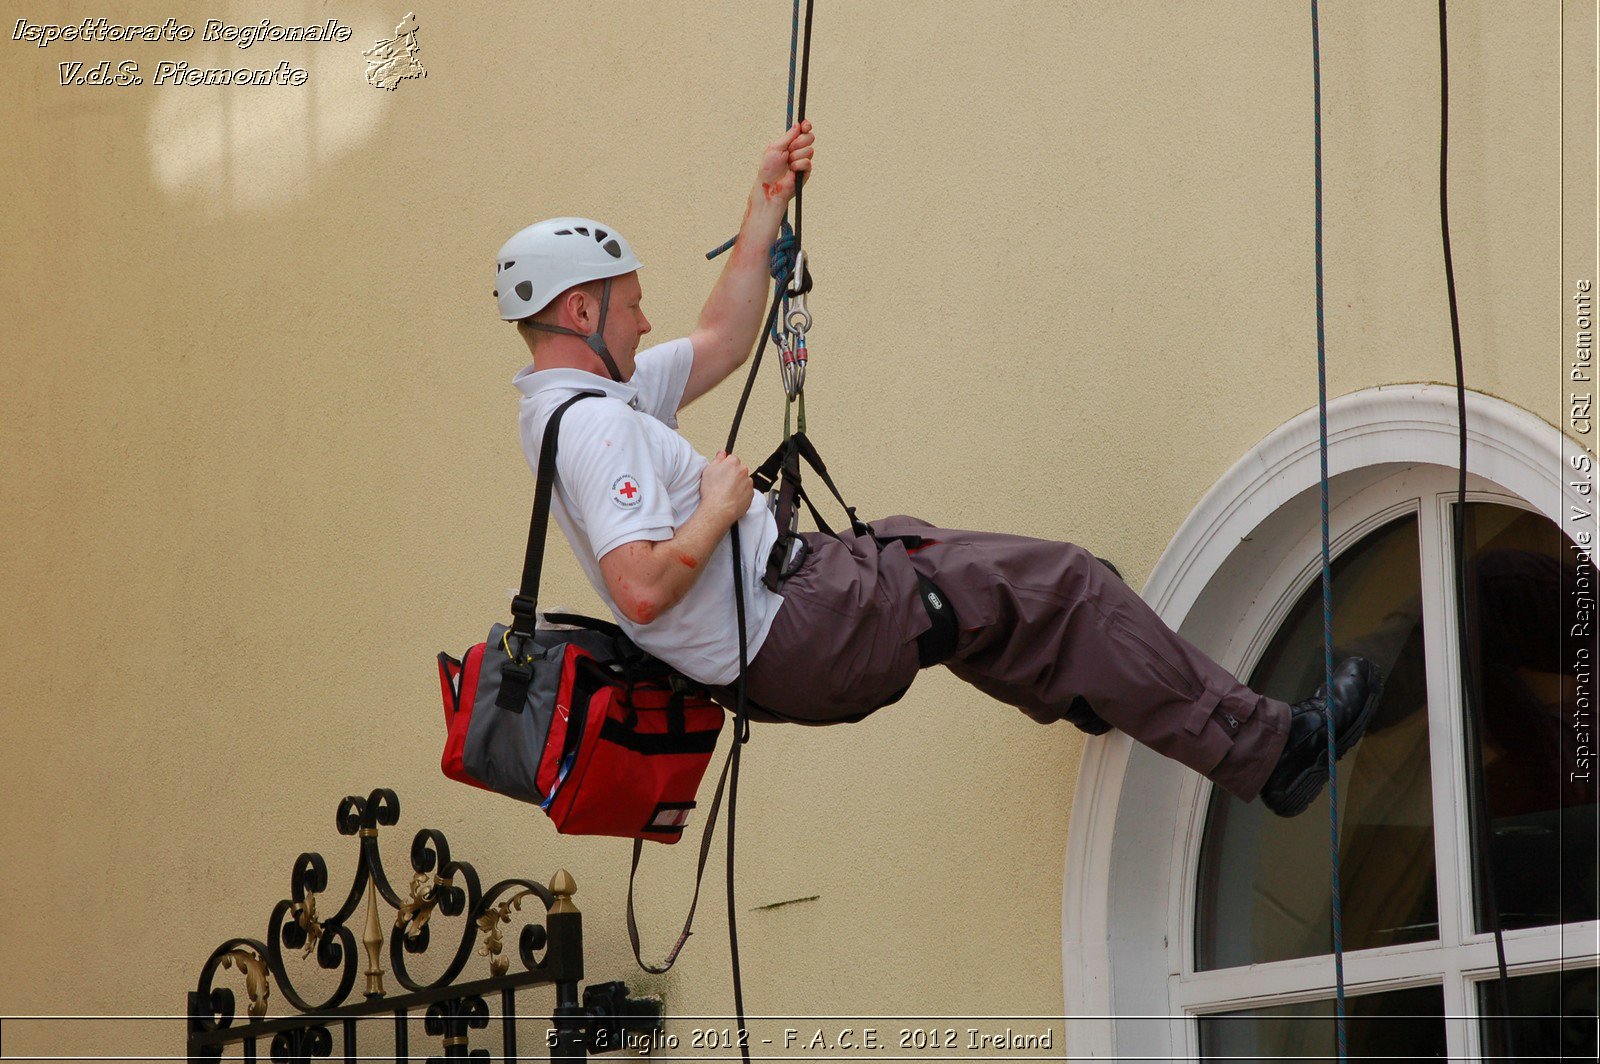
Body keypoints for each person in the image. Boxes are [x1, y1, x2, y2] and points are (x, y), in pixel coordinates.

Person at [495, 122, 1382, 817]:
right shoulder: (598, 430)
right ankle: (1275, 753)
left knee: (967, 583)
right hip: (792, 628)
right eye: (633, 308)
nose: (645, 325)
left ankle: (1108, 675)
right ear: (582, 307)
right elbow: (642, 589)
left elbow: (725, 340)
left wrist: (763, 208)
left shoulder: (573, 403)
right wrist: (719, 509)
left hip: (787, 620)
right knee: (1066, 584)